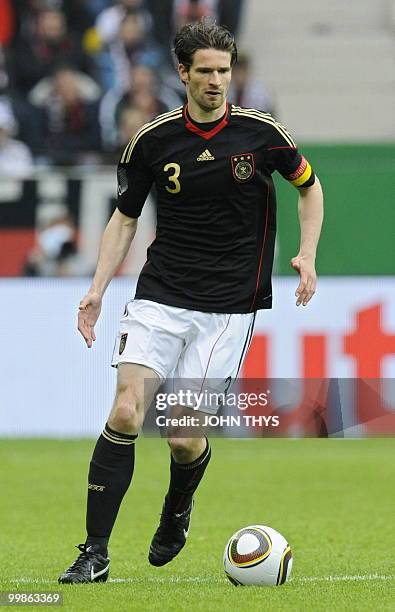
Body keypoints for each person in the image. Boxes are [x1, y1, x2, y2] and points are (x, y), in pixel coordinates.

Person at [58, 18, 323, 583]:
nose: (216, 82)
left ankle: (177, 507)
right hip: (161, 294)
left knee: (181, 435)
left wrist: (308, 253)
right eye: (205, 72)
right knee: (127, 408)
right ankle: (94, 552)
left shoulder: (261, 134)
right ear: (182, 73)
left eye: (223, 71)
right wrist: (97, 289)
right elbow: (124, 219)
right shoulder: (151, 142)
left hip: (228, 308)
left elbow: (309, 186)